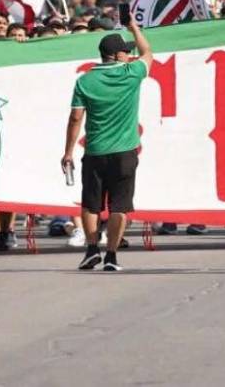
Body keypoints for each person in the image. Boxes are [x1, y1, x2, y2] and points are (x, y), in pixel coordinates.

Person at [61, 21, 153, 272]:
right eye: (126, 50)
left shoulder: (85, 81)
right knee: (120, 206)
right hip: (125, 152)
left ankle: (92, 250)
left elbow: (76, 118)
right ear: (117, 54)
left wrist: (68, 151)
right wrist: (134, 27)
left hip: (95, 151)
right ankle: (111, 255)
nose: (129, 53)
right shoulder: (131, 73)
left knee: (91, 203)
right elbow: (148, 53)